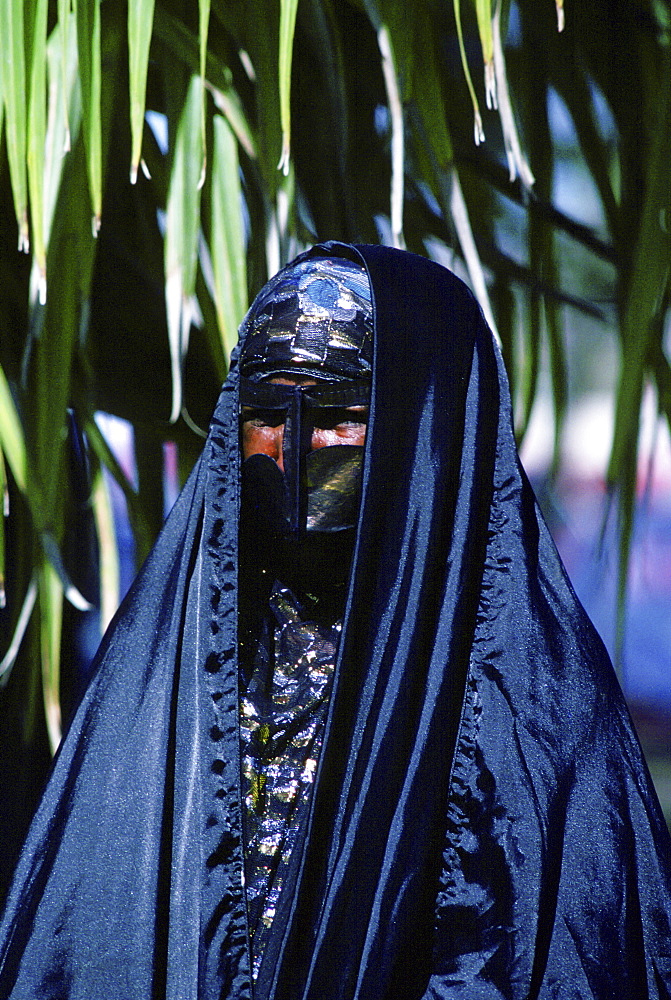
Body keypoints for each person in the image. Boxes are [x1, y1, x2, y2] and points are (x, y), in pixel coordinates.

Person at [0, 242, 670, 999]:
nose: (293, 448)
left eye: (341, 416)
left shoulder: (539, 709)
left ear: (422, 427)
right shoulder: (165, 673)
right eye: (264, 413)